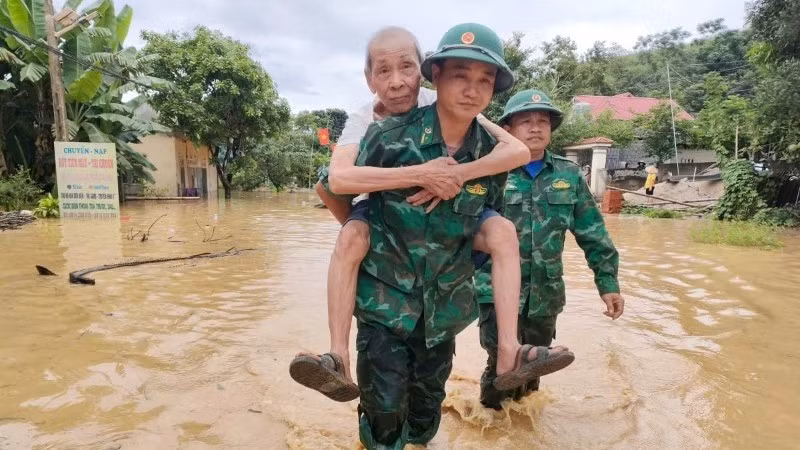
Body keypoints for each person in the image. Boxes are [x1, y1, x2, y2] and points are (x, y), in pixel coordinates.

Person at [349, 25, 576, 448]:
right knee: (383, 414)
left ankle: (508, 356)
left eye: (484, 81)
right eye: (460, 76)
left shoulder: (490, 154)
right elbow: (339, 183)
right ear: (435, 77)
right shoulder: (387, 136)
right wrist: (360, 236)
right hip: (385, 307)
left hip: (442, 313)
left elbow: (488, 230)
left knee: (425, 418)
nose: (472, 90)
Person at [289, 26, 532, 402]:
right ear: (369, 79)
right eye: (383, 71)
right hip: (383, 201)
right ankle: (338, 354)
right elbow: (334, 179)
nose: (398, 82)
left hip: (449, 222)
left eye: (406, 67)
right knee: (352, 237)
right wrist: (416, 179)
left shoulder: (449, 102)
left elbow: (515, 150)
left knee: (501, 231)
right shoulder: (364, 121)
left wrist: (457, 174)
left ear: (424, 72)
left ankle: (509, 351)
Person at [475, 89, 625, 410]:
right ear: (509, 129)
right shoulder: (490, 172)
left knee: (535, 367)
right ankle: (490, 428)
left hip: (545, 294)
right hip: (496, 291)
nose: (535, 127)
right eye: (525, 121)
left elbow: (593, 233)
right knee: (500, 364)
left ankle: (524, 431)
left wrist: (608, 283)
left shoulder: (569, 175)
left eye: (542, 121)